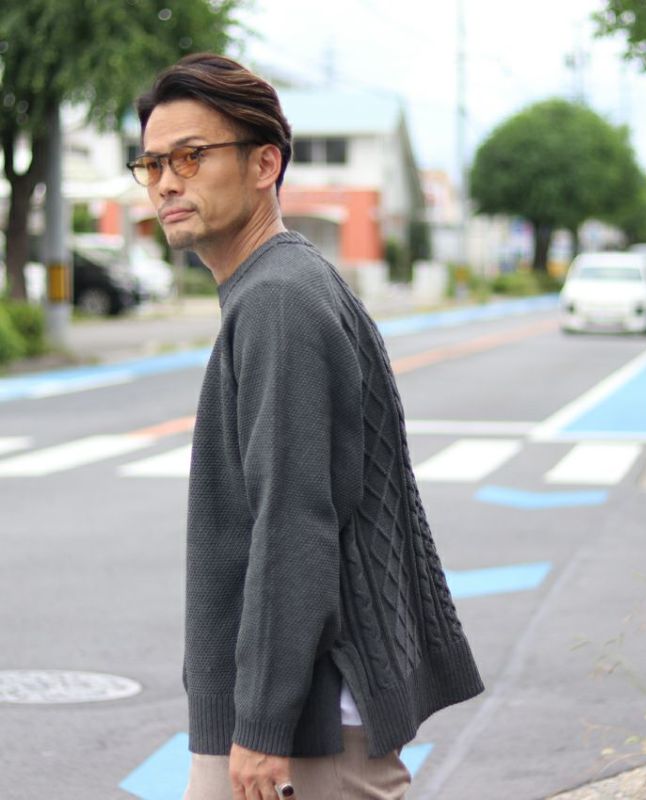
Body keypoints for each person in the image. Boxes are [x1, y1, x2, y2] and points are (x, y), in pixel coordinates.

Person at [130, 53, 484, 800]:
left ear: (265, 164)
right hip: (308, 715)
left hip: (308, 730)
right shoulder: (281, 284)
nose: (166, 182)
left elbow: (294, 520)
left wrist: (262, 726)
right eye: (153, 164)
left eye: (190, 157)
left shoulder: (280, 300)